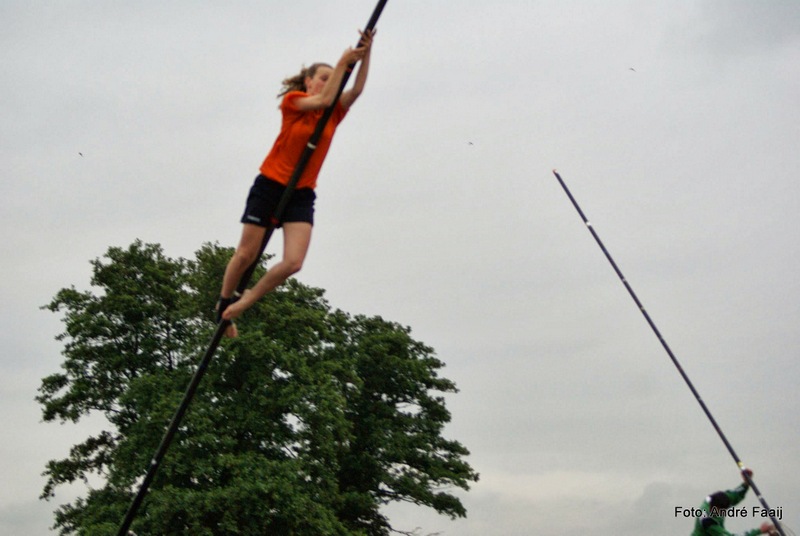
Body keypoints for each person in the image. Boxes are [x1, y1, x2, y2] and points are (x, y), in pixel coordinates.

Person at [216, 29, 375, 337]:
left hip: (301, 194)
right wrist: (344, 60)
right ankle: (222, 305)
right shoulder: (294, 102)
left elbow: (355, 90)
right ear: (308, 82)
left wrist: (365, 54)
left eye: (332, 78)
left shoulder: (334, 113)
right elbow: (325, 98)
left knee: (293, 263)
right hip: (270, 184)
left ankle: (247, 299)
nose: (329, 82)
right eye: (323, 78)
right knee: (246, 254)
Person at [692, 469, 778, 536]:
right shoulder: (708, 522)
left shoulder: (718, 499)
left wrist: (746, 483)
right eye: (719, 511)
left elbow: (736, 494)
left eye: (724, 511)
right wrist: (759, 531)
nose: (722, 514)